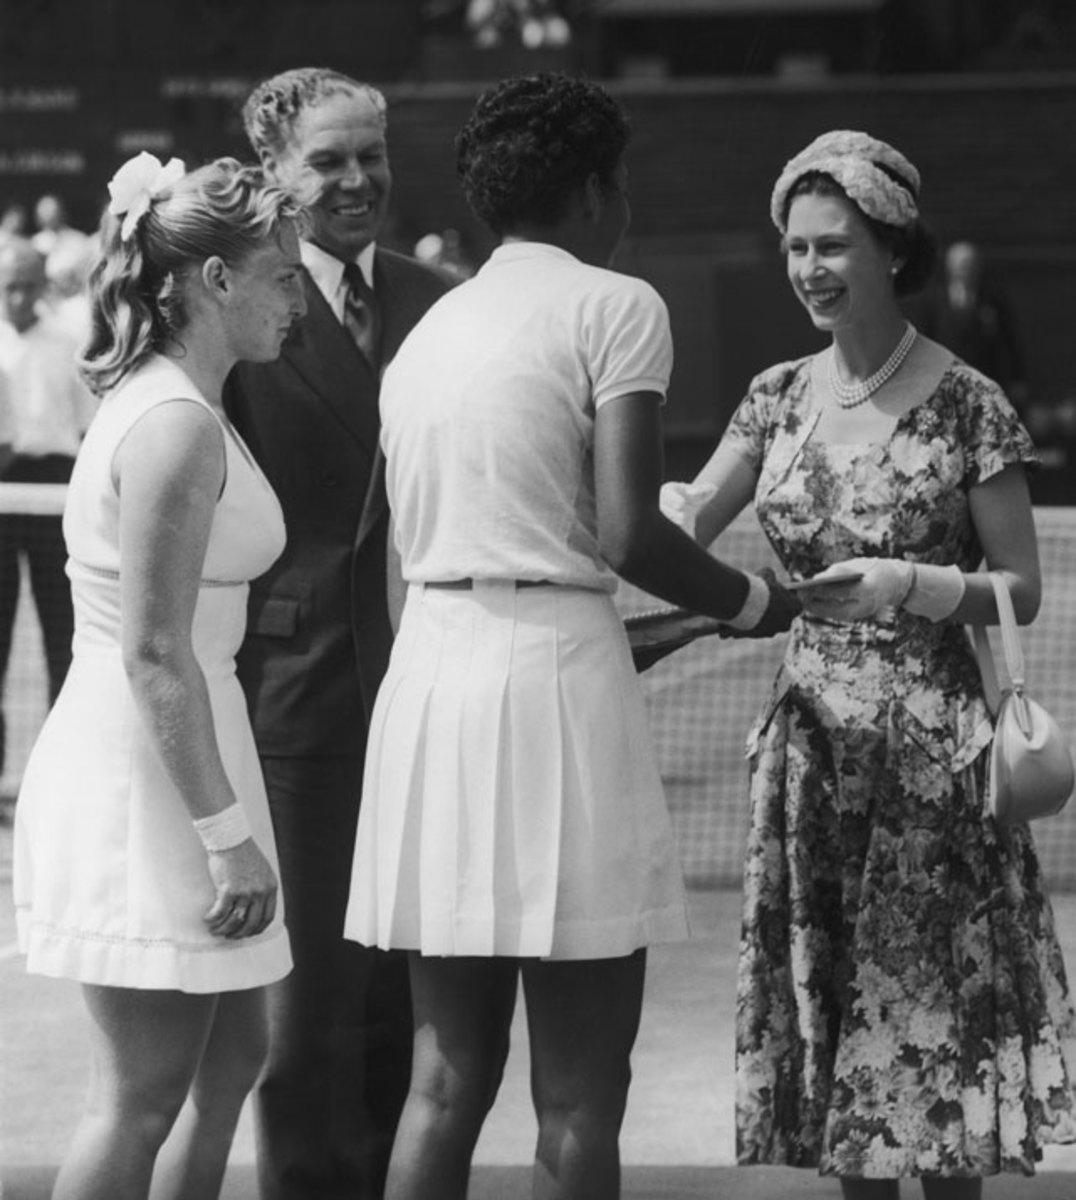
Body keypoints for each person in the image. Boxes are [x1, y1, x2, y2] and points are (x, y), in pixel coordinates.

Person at [342, 72, 799, 1200]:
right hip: (550, 692)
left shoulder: (426, 333)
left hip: (430, 682)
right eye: (624, 183)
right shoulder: (615, 301)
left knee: (441, 1081)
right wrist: (752, 605)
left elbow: (469, 554)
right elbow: (628, 531)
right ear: (595, 190)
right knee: (581, 1094)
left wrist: (660, 619)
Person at [661, 129, 1076, 1199]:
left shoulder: (965, 401)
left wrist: (913, 583)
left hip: (931, 760)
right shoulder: (772, 398)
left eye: (832, 246)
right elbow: (679, 528)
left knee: (927, 1045)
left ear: (892, 250)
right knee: (842, 1033)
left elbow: (1020, 589)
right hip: (808, 759)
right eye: (794, 247)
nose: (807, 269)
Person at [12, 151, 305, 1200]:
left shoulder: (178, 400)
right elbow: (151, 652)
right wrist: (225, 839)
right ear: (214, 281)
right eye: (280, 274)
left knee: (231, 1060)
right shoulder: (174, 422)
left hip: (187, 745)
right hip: (149, 776)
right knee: (138, 1098)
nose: (296, 297)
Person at [223, 67, 455, 1200]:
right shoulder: (234, 307)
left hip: (432, 698)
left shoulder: (439, 299)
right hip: (293, 699)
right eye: (328, 160)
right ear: (274, 172)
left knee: (400, 1009)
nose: (357, 179)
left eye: (372, 155)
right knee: (301, 1023)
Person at [0, 237, 96, 795]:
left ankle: (63, 780)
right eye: (8, 286)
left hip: (56, 487)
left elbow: (87, 429)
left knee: (65, 634)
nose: (17, 297)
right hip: (4, 484)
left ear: (43, 286)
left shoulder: (67, 341)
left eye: (27, 286)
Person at [920, 239, 1029, 411]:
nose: (966, 269)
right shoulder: (934, 301)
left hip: (984, 379)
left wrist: (1017, 378)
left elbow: (1010, 341)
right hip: (945, 380)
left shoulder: (993, 300)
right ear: (950, 267)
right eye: (961, 264)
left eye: (970, 264)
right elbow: (924, 338)